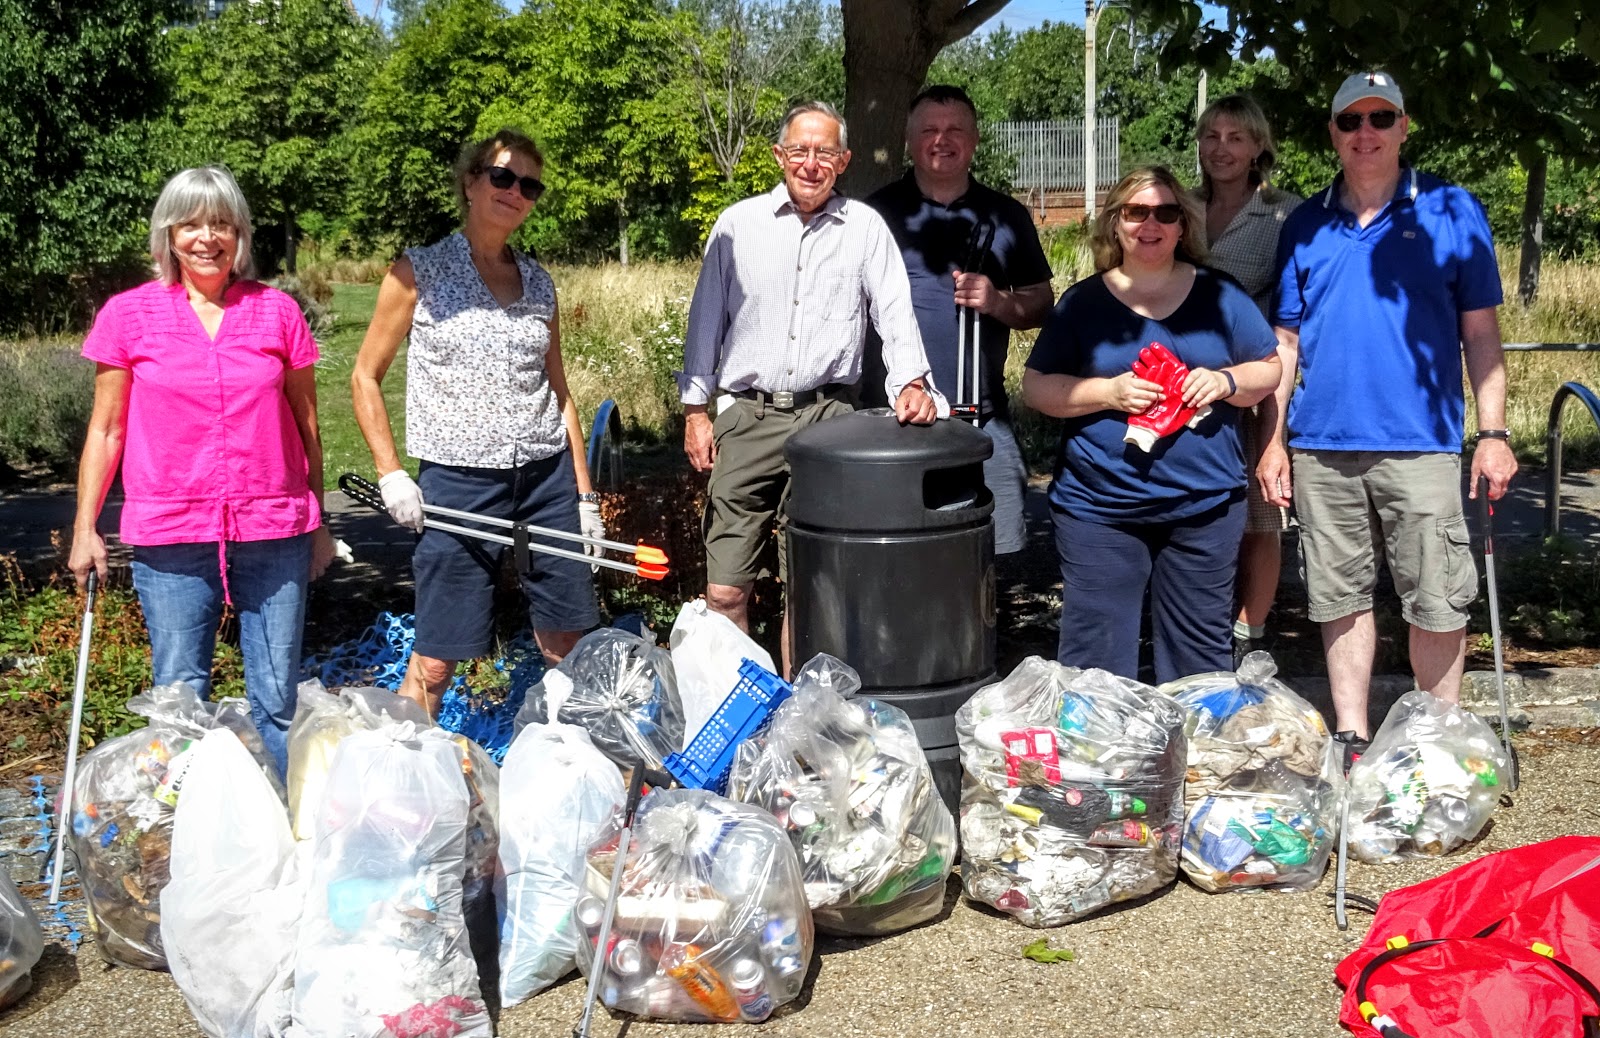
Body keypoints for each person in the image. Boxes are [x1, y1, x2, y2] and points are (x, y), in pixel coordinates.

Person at [1258, 72, 1517, 767]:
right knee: (1338, 597)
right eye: (1350, 120)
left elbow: (1481, 334)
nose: (1365, 132)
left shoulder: (1452, 209)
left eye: (1380, 118)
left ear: (1404, 126)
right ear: (1333, 133)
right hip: (1321, 445)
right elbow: (1286, 343)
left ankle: (1437, 741)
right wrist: (1274, 442)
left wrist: (1493, 435)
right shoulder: (1305, 224)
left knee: (1436, 598)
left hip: (1421, 443)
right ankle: (1353, 737)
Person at [68, 166, 336, 777]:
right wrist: (86, 527)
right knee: (180, 697)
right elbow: (106, 431)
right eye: (190, 224)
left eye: (221, 223)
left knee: (277, 697)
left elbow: (308, 429)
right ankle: (184, 822)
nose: (206, 238)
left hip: (274, 526)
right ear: (169, 234)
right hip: (170, 531)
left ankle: (281, 816)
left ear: (239, 234)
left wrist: (318, 522)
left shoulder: (276, 312)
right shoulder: (128, 315)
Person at [679, 101, 943, 664]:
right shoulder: (737, 225)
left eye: (825, 152)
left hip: (829, 421)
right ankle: (733, 707)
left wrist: (912, 383)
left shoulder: (865, 229)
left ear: (843, 161)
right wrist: (695, 411)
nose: (810, 163)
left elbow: (894, 311)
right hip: (747, 420)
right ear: (779, 155)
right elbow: (706, 321)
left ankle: (802, 709)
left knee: (811, 588)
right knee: (725, 591)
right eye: (799, 150)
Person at [351, 128, 602, 718]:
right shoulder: (419, 271)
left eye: (530, 186)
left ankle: (574, 758)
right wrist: (391, 474)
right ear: (471, 182)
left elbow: (561, 393)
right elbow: (364, 377)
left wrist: (584, 496)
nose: (515, 191)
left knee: (567, 643)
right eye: (503, 176)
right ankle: (404, 763)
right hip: (459, 482)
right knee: (438, 657)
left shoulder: (539, 282)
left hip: (545, 480)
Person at [1022, 166, 1282, 683]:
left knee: (1198, 661)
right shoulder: (1083, 303)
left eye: (1165, 212)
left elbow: (1269, 368)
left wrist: (1225, 381)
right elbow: (1036, 387)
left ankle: (1193, 738)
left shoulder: (1221, 295)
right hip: (1100, 510)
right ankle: (1105, 739)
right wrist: (1107, 393)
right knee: (1096, 662)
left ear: (1183, 226)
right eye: (1136, 212)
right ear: (1114, 223)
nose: (1151, 224)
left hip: (1205, 507)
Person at [865, 84, 1054, 558]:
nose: (941, 140)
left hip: (982, 420)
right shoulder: (873, 216)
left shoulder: (1006, 215)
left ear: (974, 139)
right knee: (896, 555)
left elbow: (1040, 303)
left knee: (988, 554)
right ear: (909, 139)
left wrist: (999, 302)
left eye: (955, 130)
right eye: (929, 129)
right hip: (890, 421)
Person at [1190, 93, 1303, 663]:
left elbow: (1294, 312)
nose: (1222, 149)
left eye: (1236, 138)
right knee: (1199, 513)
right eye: (1211, 136)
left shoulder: (1284, 214)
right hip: (1183, 380)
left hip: (1257, 378)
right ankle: (1198, 633)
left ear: (1259, 146)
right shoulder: (1179, 207)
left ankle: (1247, 638)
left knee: (1260, 517)